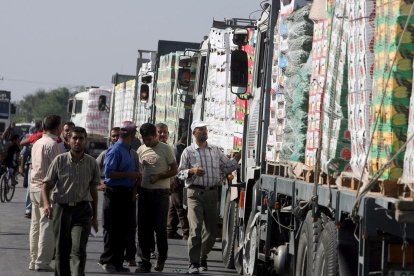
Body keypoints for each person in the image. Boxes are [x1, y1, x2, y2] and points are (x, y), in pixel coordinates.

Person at [177, 120, 241, 274]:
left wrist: (239, 157)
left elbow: (227, 166)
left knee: (212, 231)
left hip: (212, 193)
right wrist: (191, 171)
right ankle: (193, 263)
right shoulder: (188, 151)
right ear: (194, 133)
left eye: (205, 129)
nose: (204, 132)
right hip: (194, 194)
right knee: (196, 228)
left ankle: (202, 256)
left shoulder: (215, 151)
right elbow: (179, 173)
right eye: (201, 130)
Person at [42, 127, 100, 276]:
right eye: (74, 138)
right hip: (62, 210)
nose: (78, 141)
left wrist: (94, 217)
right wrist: (47, 204)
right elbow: (46, 185)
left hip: (82, 210)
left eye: (81, 138)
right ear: (68, 141)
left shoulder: (92, 163)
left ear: (86, 141)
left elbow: (94, 191)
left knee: (79, 249)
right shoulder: (60, 160)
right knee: (62, 250)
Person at [99, 121, 141, 274]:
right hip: (114, 192)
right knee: (112, 228)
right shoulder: (115, 150)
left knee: (124, 229)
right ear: (132, 134)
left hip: (126, 193)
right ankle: (107, 260)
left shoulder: (130, 150)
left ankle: (117, 262)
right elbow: (109, 173)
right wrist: (131, 175)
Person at [135, 123, 177, 273]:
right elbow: (139, 171)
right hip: (145, 193)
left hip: (161, 194)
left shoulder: (166, 149)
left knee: (159, 229)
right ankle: (145, 261)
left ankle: (161, 258)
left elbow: (174, 170)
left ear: (155, 136)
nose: (147, 142)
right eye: (144, 139)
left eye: (149, 139)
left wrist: (160, 176)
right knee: (143, 228)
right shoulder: (141, 150)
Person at [29, 115, 65, 272]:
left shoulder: (37, 143)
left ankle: (33, 260)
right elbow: (60, 170)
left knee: (36, 226)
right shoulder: (53, 145)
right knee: (47, 226)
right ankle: (42, 262)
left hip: (34, 187)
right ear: (57, 127)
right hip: (47, 190)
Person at [167, 133, 190, 240]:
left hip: (174, 181)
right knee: (180, 207)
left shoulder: (175, 148)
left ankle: (170, 230)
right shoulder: (179, 149)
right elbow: (177, 166)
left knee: (173, 206)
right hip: (177, 181)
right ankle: (186, 232)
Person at [20, 121, 43, 219]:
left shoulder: (51, 137)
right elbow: (24, 153)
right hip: (33, 167)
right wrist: (21, 167)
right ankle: (29, 209)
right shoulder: (34, 137)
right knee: (30, 188)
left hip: (46, 168)